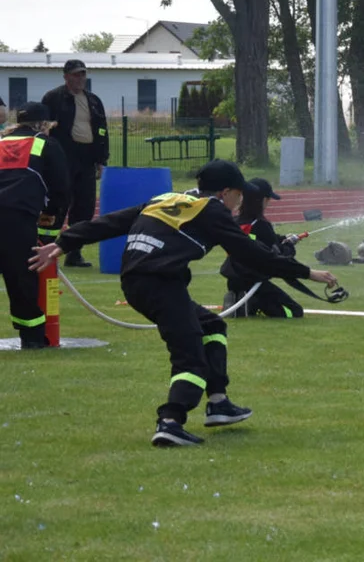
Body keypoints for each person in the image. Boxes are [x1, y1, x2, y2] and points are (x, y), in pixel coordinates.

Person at [28, 160, 339, 447]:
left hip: (137, 280)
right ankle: (170, 421)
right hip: (159, 281)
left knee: (211, 325)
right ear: (226, 192)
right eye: (239, 195)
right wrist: (308, 273)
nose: (240, 202)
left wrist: (64, 242)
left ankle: (218, 401)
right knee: (189, 354)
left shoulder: (166, 198)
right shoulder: (212, 211)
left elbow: (112, 222)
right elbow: (251, 254)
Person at [0, 103, 69, 349]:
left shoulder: (0, 142)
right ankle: (32, 339)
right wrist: (48, 236)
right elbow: (60, 193)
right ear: (44, 125)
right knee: (21, 279)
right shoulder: (47, 145)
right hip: (16, 218)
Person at [41, 59, 109, 268]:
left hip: (86, 157)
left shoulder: (94, 100)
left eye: (83, 74)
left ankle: (74, 252)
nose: (80, 78)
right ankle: (46, 248)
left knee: (84, 207)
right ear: (66, 76)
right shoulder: (53, 98)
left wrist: (101, 159)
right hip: (62, 157)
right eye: (76, 74)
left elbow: (102, 130)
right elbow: (43, 128)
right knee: (58, 203)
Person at [220, 177, 305, 318]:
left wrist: (283, 238)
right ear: (262, 200)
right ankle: (251, 303)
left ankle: (240, 301)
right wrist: (289, 245)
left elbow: (259, 240)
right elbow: (279, 256)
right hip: (255, 282)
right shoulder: (261, 224)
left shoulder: (235, 222)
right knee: (294, 311)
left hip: (234, 279)